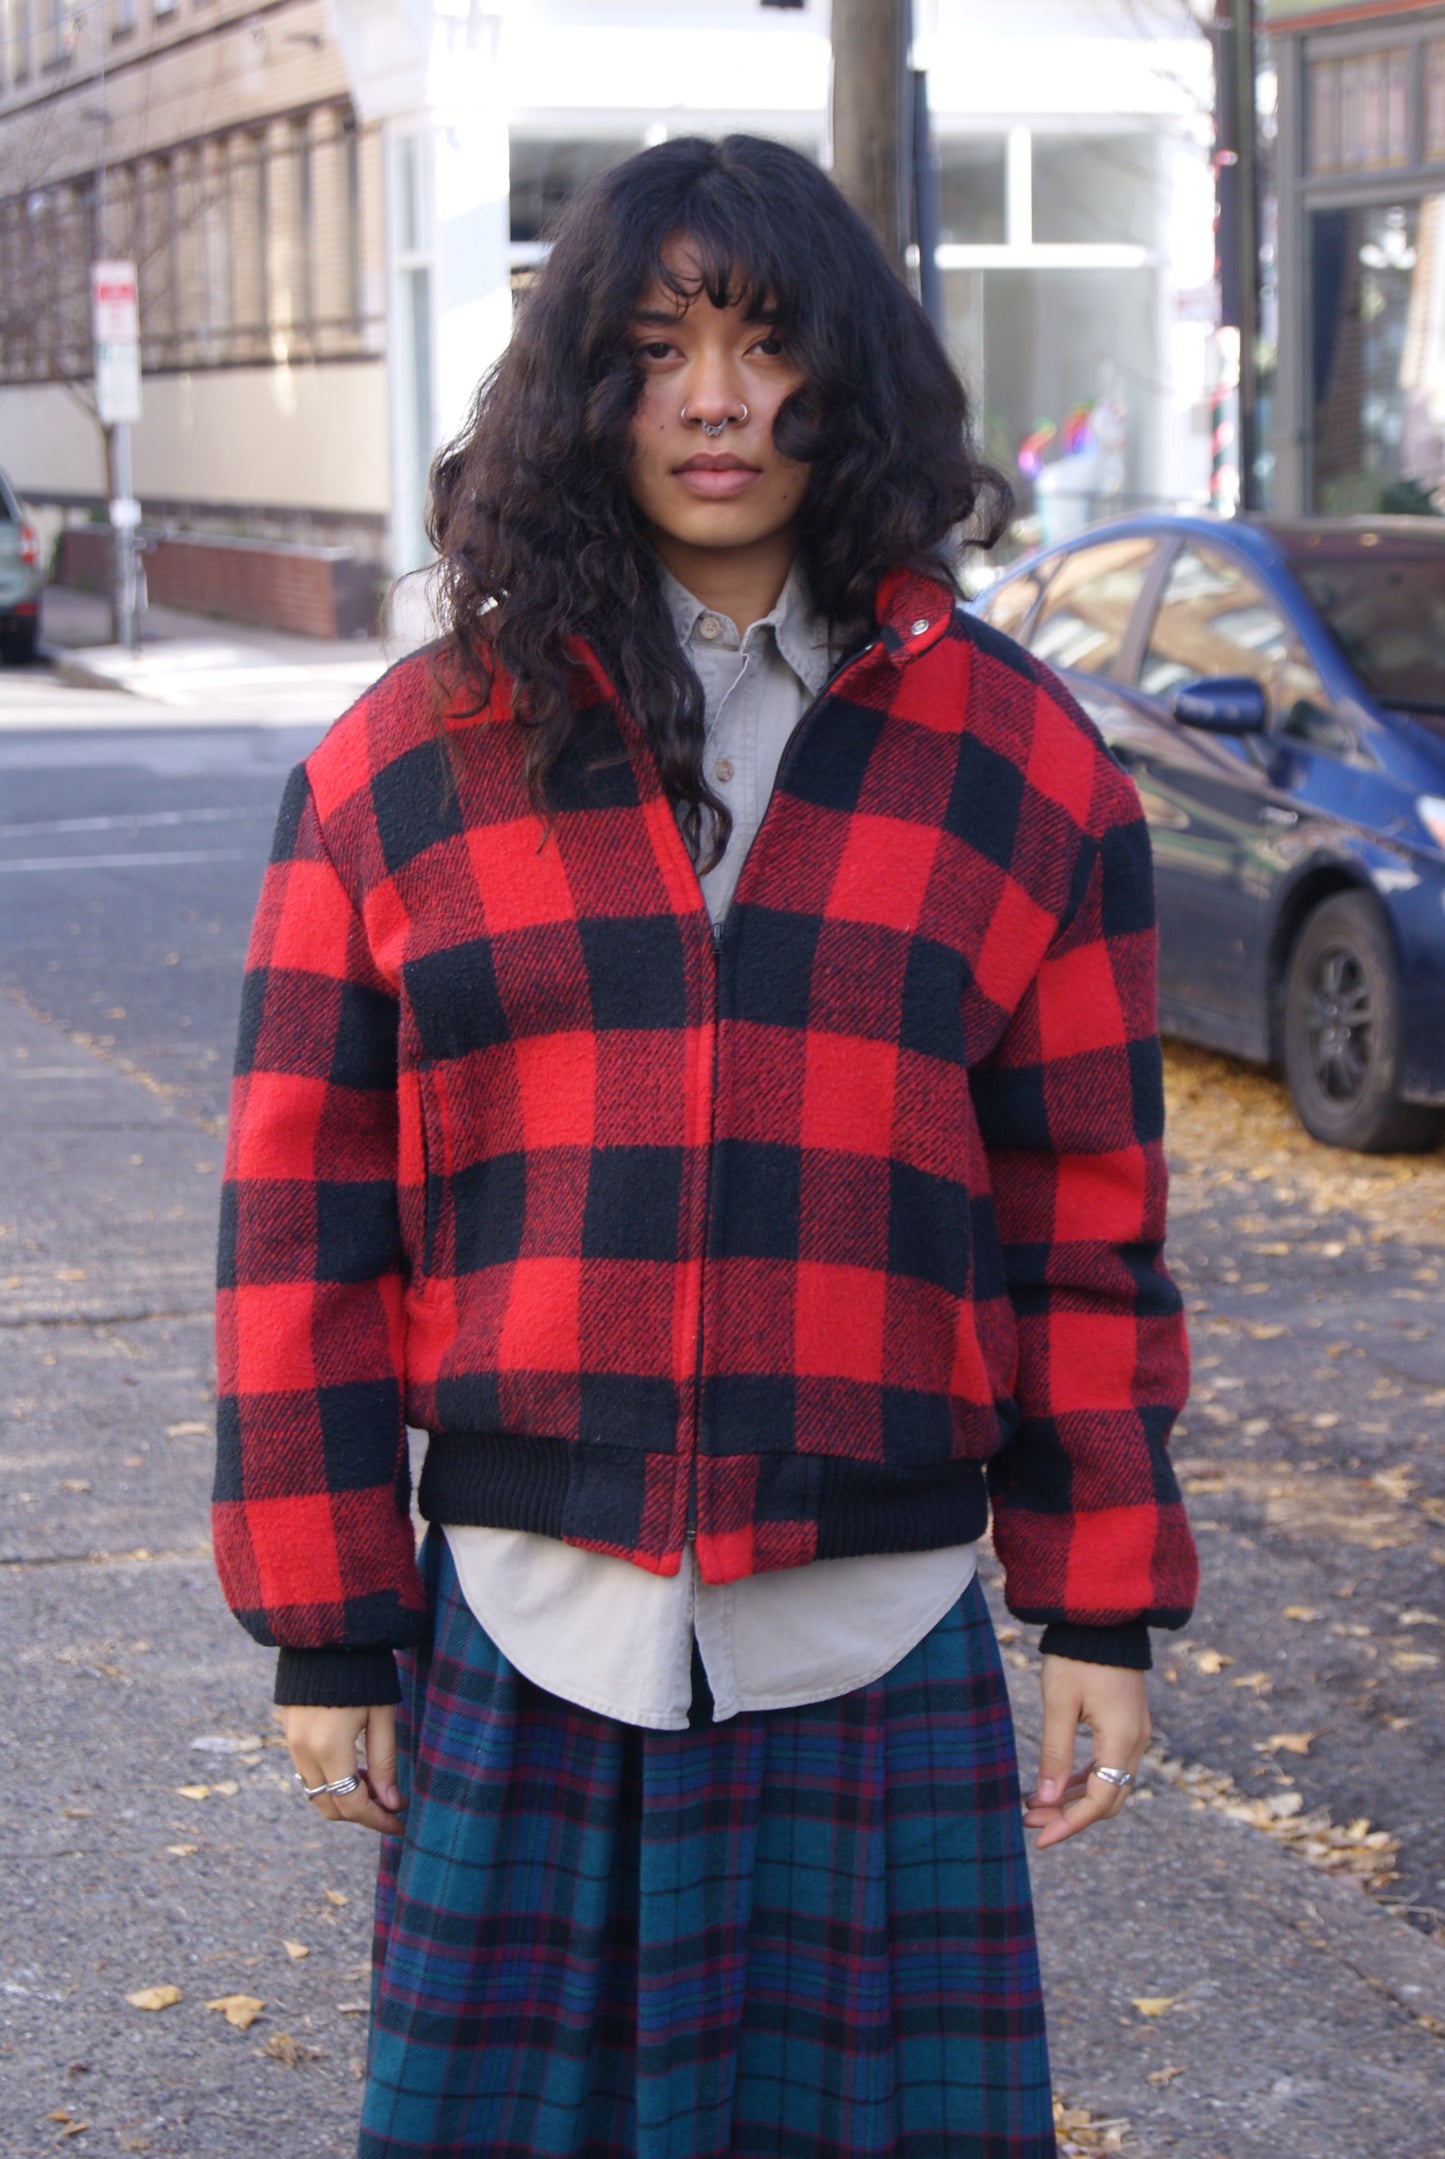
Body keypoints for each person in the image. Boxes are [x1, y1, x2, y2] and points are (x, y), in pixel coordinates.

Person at [213, 133, 1197, 2159]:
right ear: (582, 388)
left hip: (874, 1617)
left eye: (764, 345)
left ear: (849, 378)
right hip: (524, 1612)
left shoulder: (1027, 774)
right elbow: (296, 1236)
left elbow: (1083, 1223)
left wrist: (1100, 1598)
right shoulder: (408, 767)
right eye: (656, 348)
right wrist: (328, 1623)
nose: (718, 399)